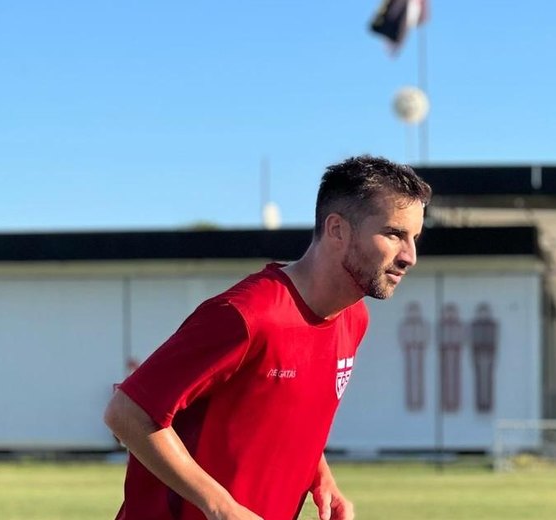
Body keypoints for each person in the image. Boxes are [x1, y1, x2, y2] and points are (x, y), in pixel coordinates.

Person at [103, 155, 431, 520]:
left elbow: (288, 412)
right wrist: (222, 508)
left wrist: (320, 476)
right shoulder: (247, 315)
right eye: (394, 234)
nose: (410, 256)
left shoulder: (354, 318)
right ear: (337, 229)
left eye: (414, 237)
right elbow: (127, 414)